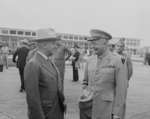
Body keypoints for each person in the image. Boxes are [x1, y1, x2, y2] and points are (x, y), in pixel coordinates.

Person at [79, 29, 128, 119]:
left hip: (106, 109)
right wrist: (84, 94)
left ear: (105, 43)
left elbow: (121, 90)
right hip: (87, 108)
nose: (92, 47)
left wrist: (117, 112)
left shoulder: (117, 61)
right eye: (91, 44)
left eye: (95, 44)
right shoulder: (90, 60)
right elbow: (85, 82)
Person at [24, 28, 66, 119]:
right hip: (46, 114)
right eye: (53, 43)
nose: (56, 46)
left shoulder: (49, 60)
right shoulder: (33, 64)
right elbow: (33, 99)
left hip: (56, 112)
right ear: (44, 44)